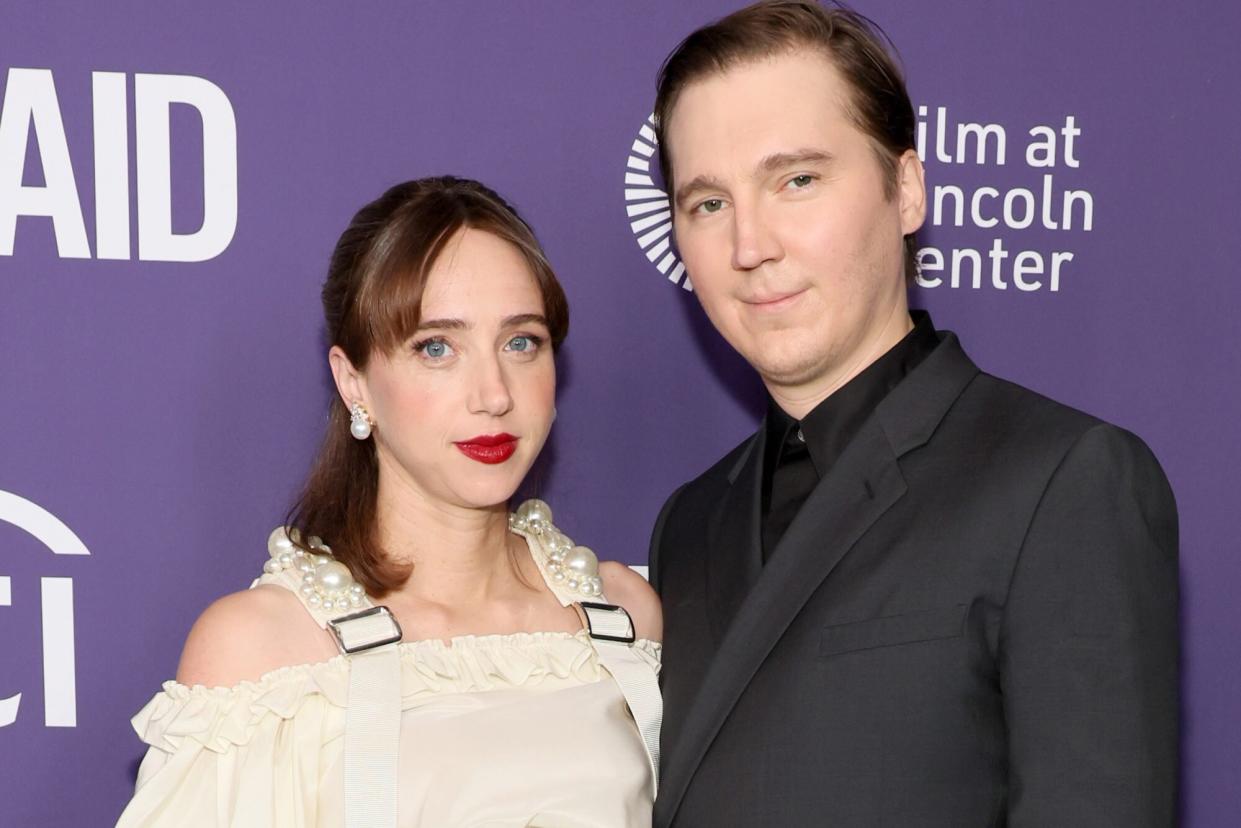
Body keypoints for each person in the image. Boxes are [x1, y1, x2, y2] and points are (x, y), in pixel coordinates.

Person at [646, 3, 1178, 826]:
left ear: (906, 190)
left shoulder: (1061, 481)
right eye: (708, 203)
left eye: (796, 180)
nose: (750, 245)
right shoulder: (688, 522)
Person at [117, 176, 662, 827]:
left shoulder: (623, 615)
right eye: (437, 347)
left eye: (521, 342)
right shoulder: (265, 649)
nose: (492, 393)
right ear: (354, 384)